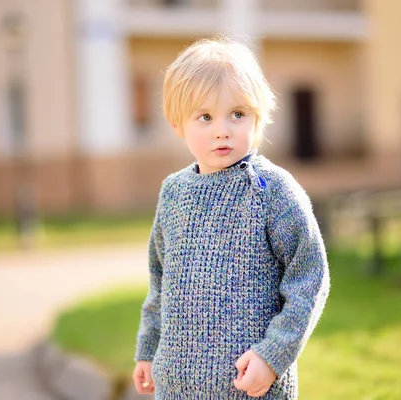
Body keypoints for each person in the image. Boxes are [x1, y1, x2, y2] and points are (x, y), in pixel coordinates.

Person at [132, 34, 330, 399]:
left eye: (237, 114)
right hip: (177, 388)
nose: (222, 129)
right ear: (178, 125)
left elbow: (309, 278)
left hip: (251, 387)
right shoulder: (174, 194)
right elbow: (160, 283)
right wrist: (148, 349)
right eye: (205, 117)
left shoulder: (273, 191)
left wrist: (273, 356)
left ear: (258, 116)